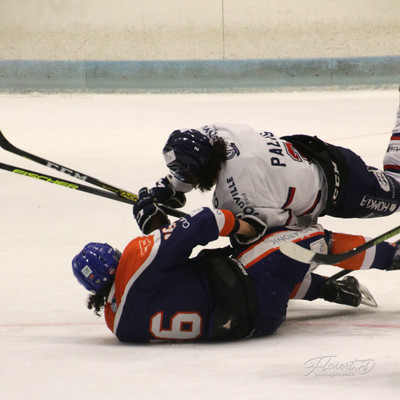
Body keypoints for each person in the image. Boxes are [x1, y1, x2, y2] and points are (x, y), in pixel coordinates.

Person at [72, 188, 400, 343]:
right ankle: (391, 256)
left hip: (248, 322)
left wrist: (156, 227)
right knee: (308, 237)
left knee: (256, 263)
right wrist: (244, 226)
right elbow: (204, 222)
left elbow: (159, 282)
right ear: (112, 259)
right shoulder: (133, 257)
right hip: (254, 291)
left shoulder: (117, 325)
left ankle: (333, 289)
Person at [144, 88, 400, 232]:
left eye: (188, 175)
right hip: (316, 155)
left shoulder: (237, 195)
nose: (188, 179)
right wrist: (171, 187)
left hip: (345, 189)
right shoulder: (215, 134)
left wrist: (221, 226)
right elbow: (196, 153)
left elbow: (297, 228)